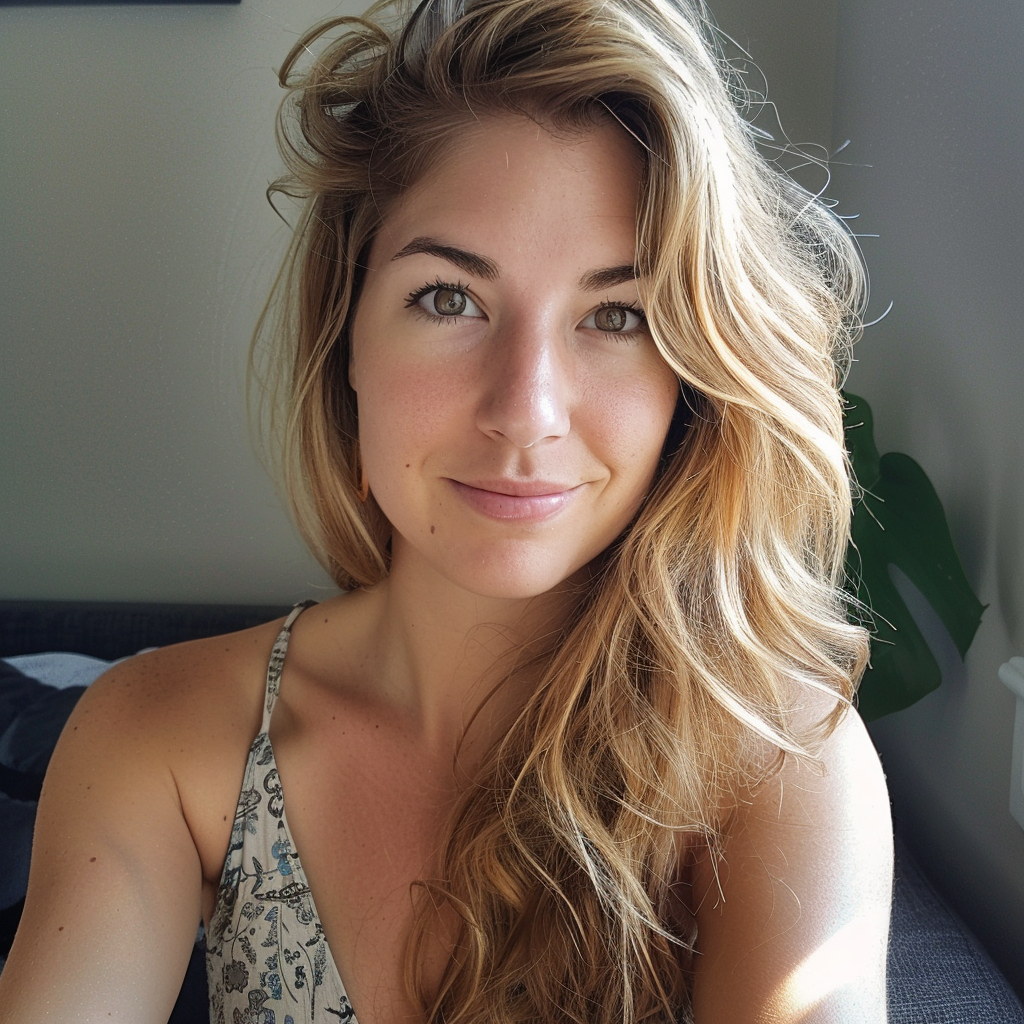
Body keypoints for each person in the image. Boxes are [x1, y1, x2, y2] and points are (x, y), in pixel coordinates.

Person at [0, 0, 893, 1021]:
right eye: (448, 298)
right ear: (346, 337)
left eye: (616, 315)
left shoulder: (771, 761)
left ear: (689, 382)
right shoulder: (159, 737)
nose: (526, 410)